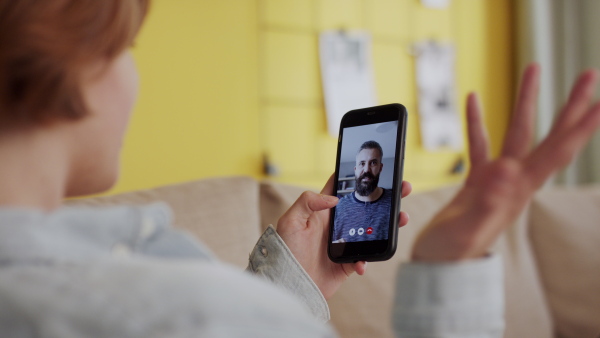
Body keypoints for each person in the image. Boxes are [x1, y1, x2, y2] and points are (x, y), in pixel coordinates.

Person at [1, 1, 600, 337]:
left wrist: (293, 279)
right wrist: (451, 267)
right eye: (126, 49)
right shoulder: (185, 307)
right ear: (66, 62)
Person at [333, 140, 393, 242]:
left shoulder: (394, 201)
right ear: (355, 169)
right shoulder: (340, 206)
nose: (366, 170)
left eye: (373, 163)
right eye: (362, 163)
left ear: (380, 167)